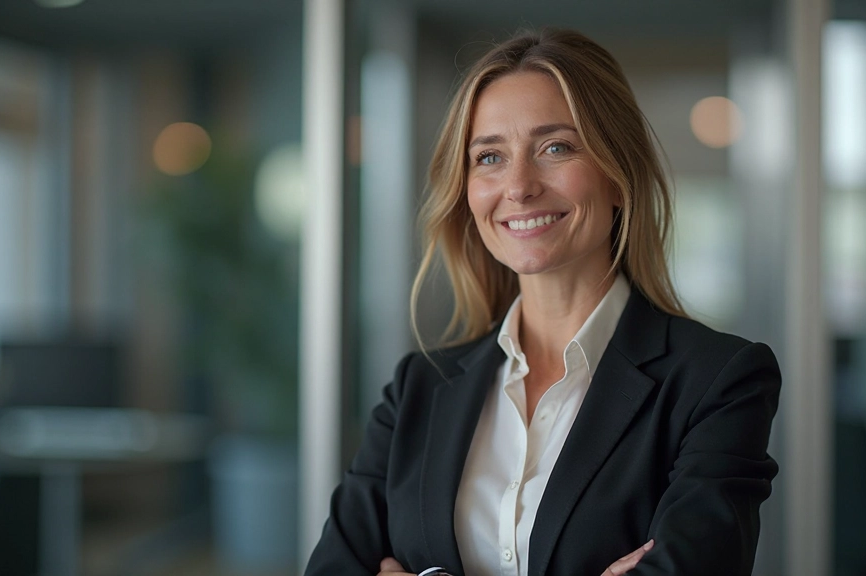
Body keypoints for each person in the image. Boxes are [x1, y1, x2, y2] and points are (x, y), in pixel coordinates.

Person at [305, 28, 781, 576]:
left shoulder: (717, 381)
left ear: (618, 175)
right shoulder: (419, 388)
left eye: (556, 147)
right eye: (489, 157)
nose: (519, 185)